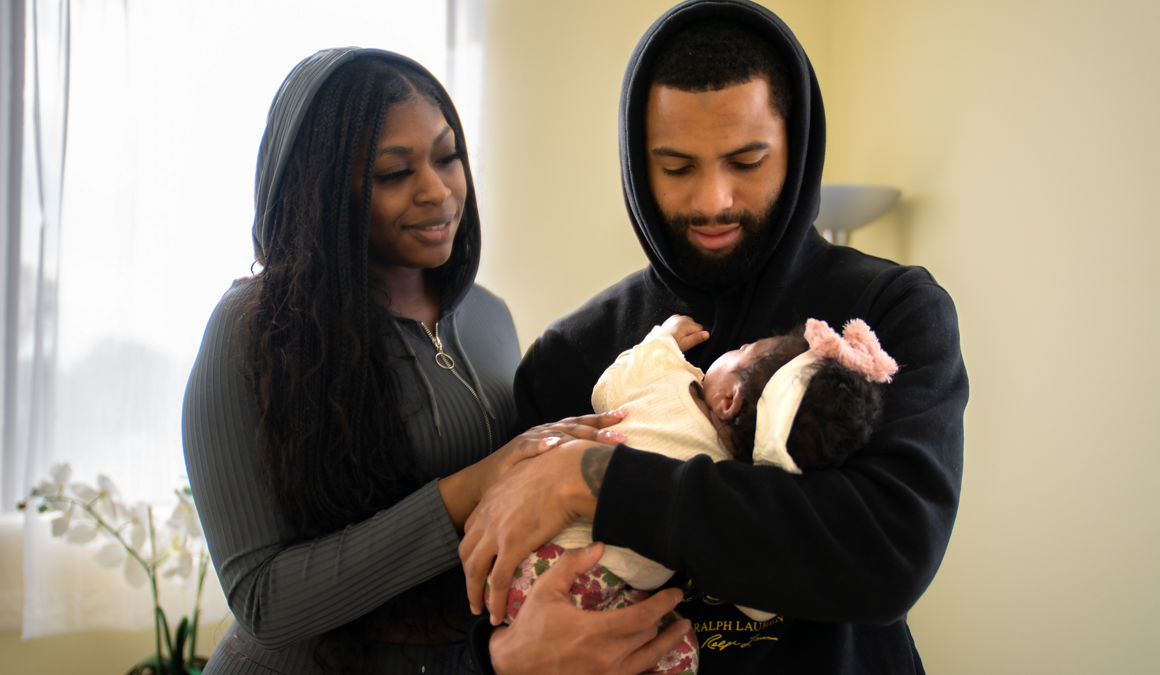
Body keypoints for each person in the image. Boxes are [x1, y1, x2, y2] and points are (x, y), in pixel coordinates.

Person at [459, 1, 969, 673]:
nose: (714, 199)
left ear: (798, 147)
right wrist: (502, 656)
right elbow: (490, 571)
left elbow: (885, 549)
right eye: (677, 168)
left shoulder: (886, 312)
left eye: (747, 160)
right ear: (639, 165)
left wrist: (599, 480)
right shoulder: (573, 351)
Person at [180, 48, 651, 674]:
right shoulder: (253, 331)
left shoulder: (489, 316)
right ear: (324, 191)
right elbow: (264, 603)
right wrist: (471, 487)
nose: (438, 190)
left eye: (448, 156)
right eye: (394, 172)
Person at [495, 314, 898, 674]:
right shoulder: (733, 486)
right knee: (677, 651)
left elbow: (609, 388)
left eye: (741, 350)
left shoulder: (671, 386)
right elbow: (760, 602)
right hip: (584, 582)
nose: (731, 349)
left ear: (728, 401)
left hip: (535, 570)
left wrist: (662, 340)